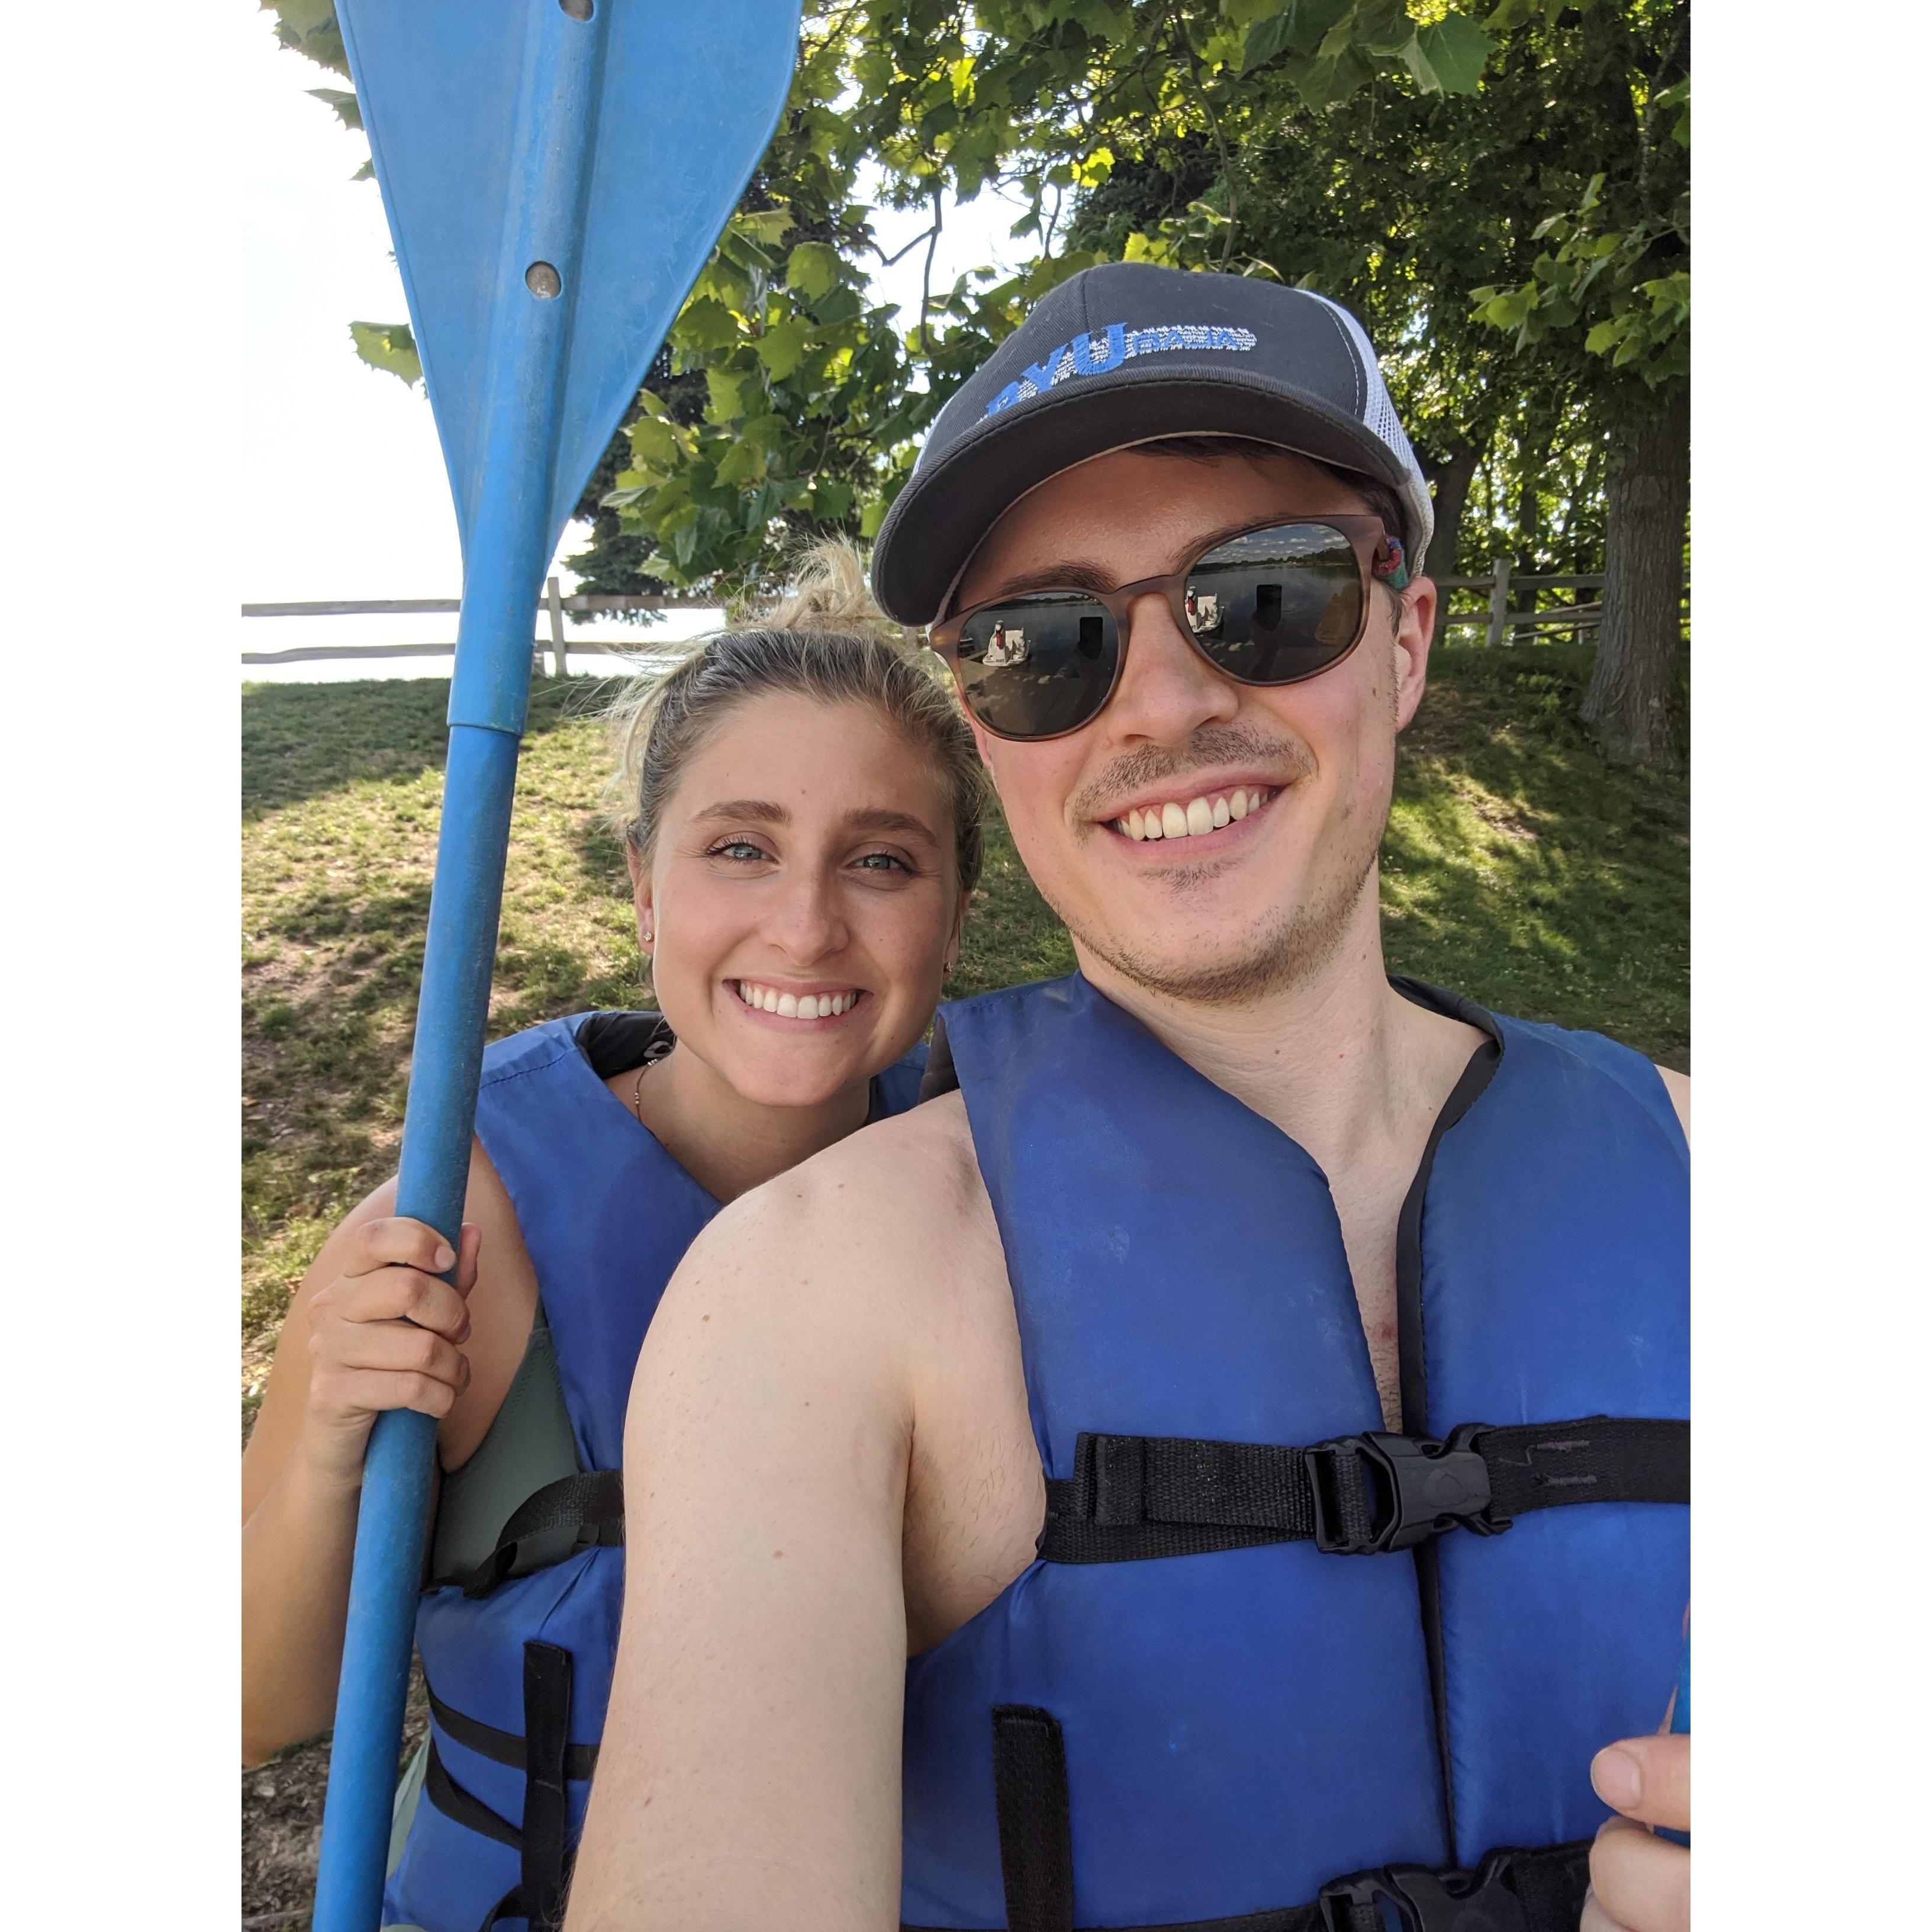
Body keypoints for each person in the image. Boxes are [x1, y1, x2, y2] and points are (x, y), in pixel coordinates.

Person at [567, 263, 1690, 1932]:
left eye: (1271, 595)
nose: (1163, 704)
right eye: (1047, 645)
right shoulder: (804, 1312)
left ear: (1405, 640)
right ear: (985, 722)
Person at [240, 545, 987, 1932]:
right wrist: (336, 1436)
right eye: (741, 848)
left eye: (883, 860)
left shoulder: (1007, 1207)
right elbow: (251, 1705)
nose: (807, 923)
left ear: (954, 915)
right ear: (646, 885)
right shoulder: (459, 1221)